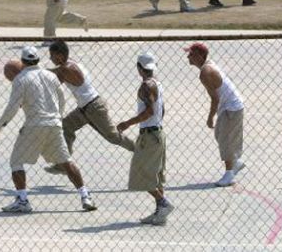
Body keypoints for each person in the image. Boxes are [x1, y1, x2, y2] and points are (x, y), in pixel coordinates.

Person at [0, 46, 98, 213]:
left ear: (23, 61)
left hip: (34, 124)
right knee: (66, 162)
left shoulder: (21, 79)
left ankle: (23, 200)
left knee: (16, 161)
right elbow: (61, 99)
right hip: (54, 124)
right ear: (38, 59)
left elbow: (12, 107)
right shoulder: (51, 75)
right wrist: (58, 118)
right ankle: (85, 196)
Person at [42, 40, 135, 175]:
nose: (50, 58)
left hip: (94, 107)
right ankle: (64, 164)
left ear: (60, 55)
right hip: (84, 109)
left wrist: (33, 70)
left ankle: (139, 150)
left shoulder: (67, 68)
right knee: (65, 127)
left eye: (52, 55)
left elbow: (53, 74)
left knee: (113, 137)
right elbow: (55, 76)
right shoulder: (70, 64)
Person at [117, 52, 175, 226]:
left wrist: (127, 123)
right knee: (156, 175)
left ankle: (164, 203)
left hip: (149, 135)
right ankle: (160, 212)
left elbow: (149, 111)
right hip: (158, 133)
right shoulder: (157, 83)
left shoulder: (145, 86)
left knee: (141, 173)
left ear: (139, 68)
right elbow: (161, 110)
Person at [185, 42, 246, 187]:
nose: (188, 56)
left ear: (200, 56)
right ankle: (235, 161)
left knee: (225, 139)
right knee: (220, 134)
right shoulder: (207, 65)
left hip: (231, 107)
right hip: (230, 106)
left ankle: (229, 173)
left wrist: (210, 117)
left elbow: (215, 98)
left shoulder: (205, 72)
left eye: (191, 54)